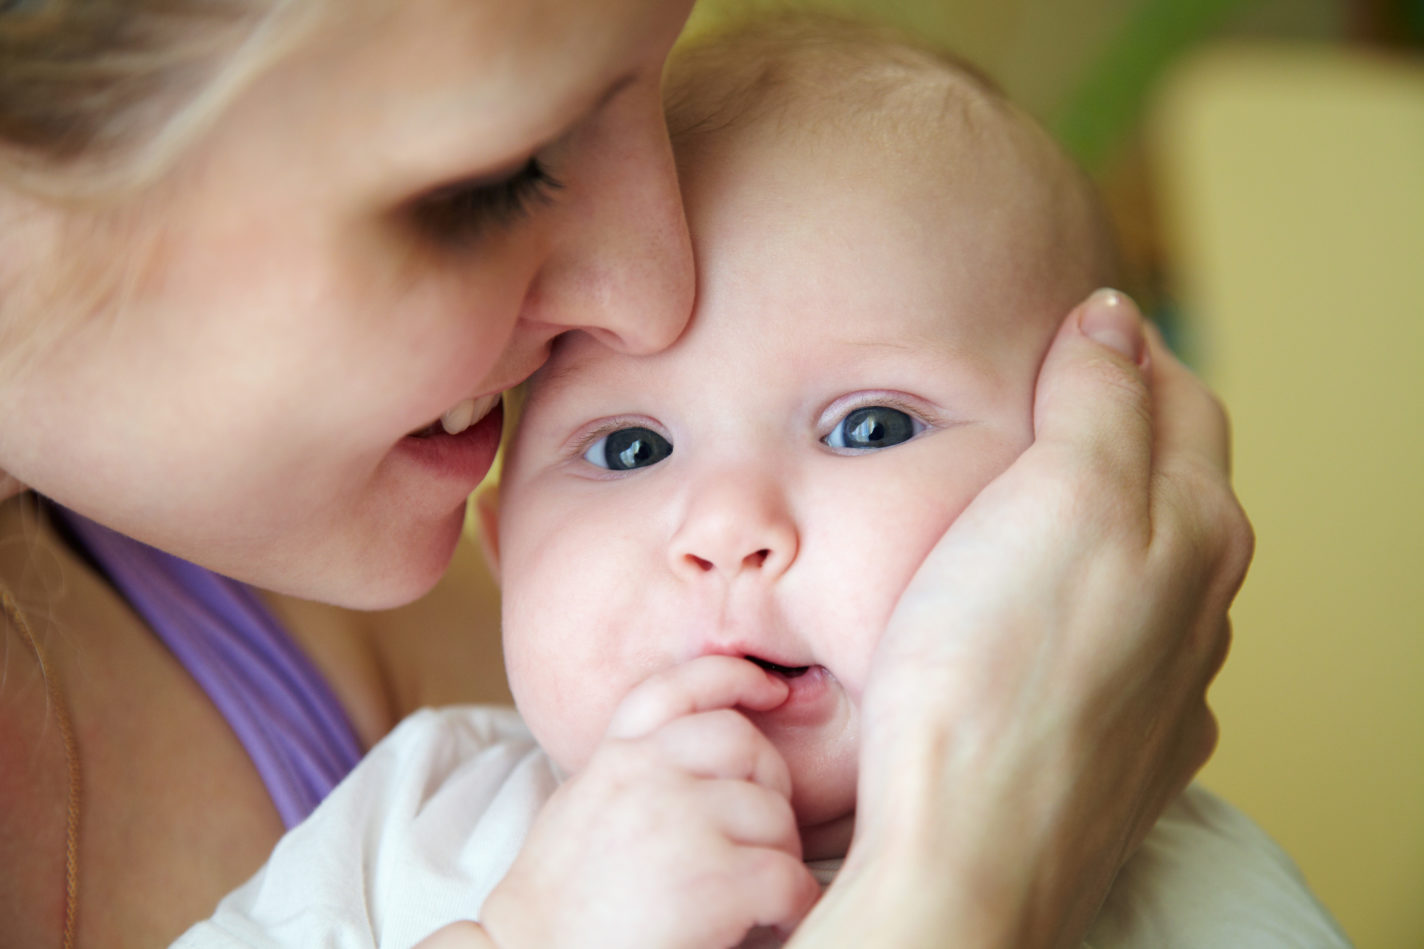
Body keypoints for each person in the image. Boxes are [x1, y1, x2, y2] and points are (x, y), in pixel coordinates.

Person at [0, 3, 1248, 949]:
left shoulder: (1173, 861)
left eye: (870, 427)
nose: (652, 298)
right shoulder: (424, 821)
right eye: (497, 175)